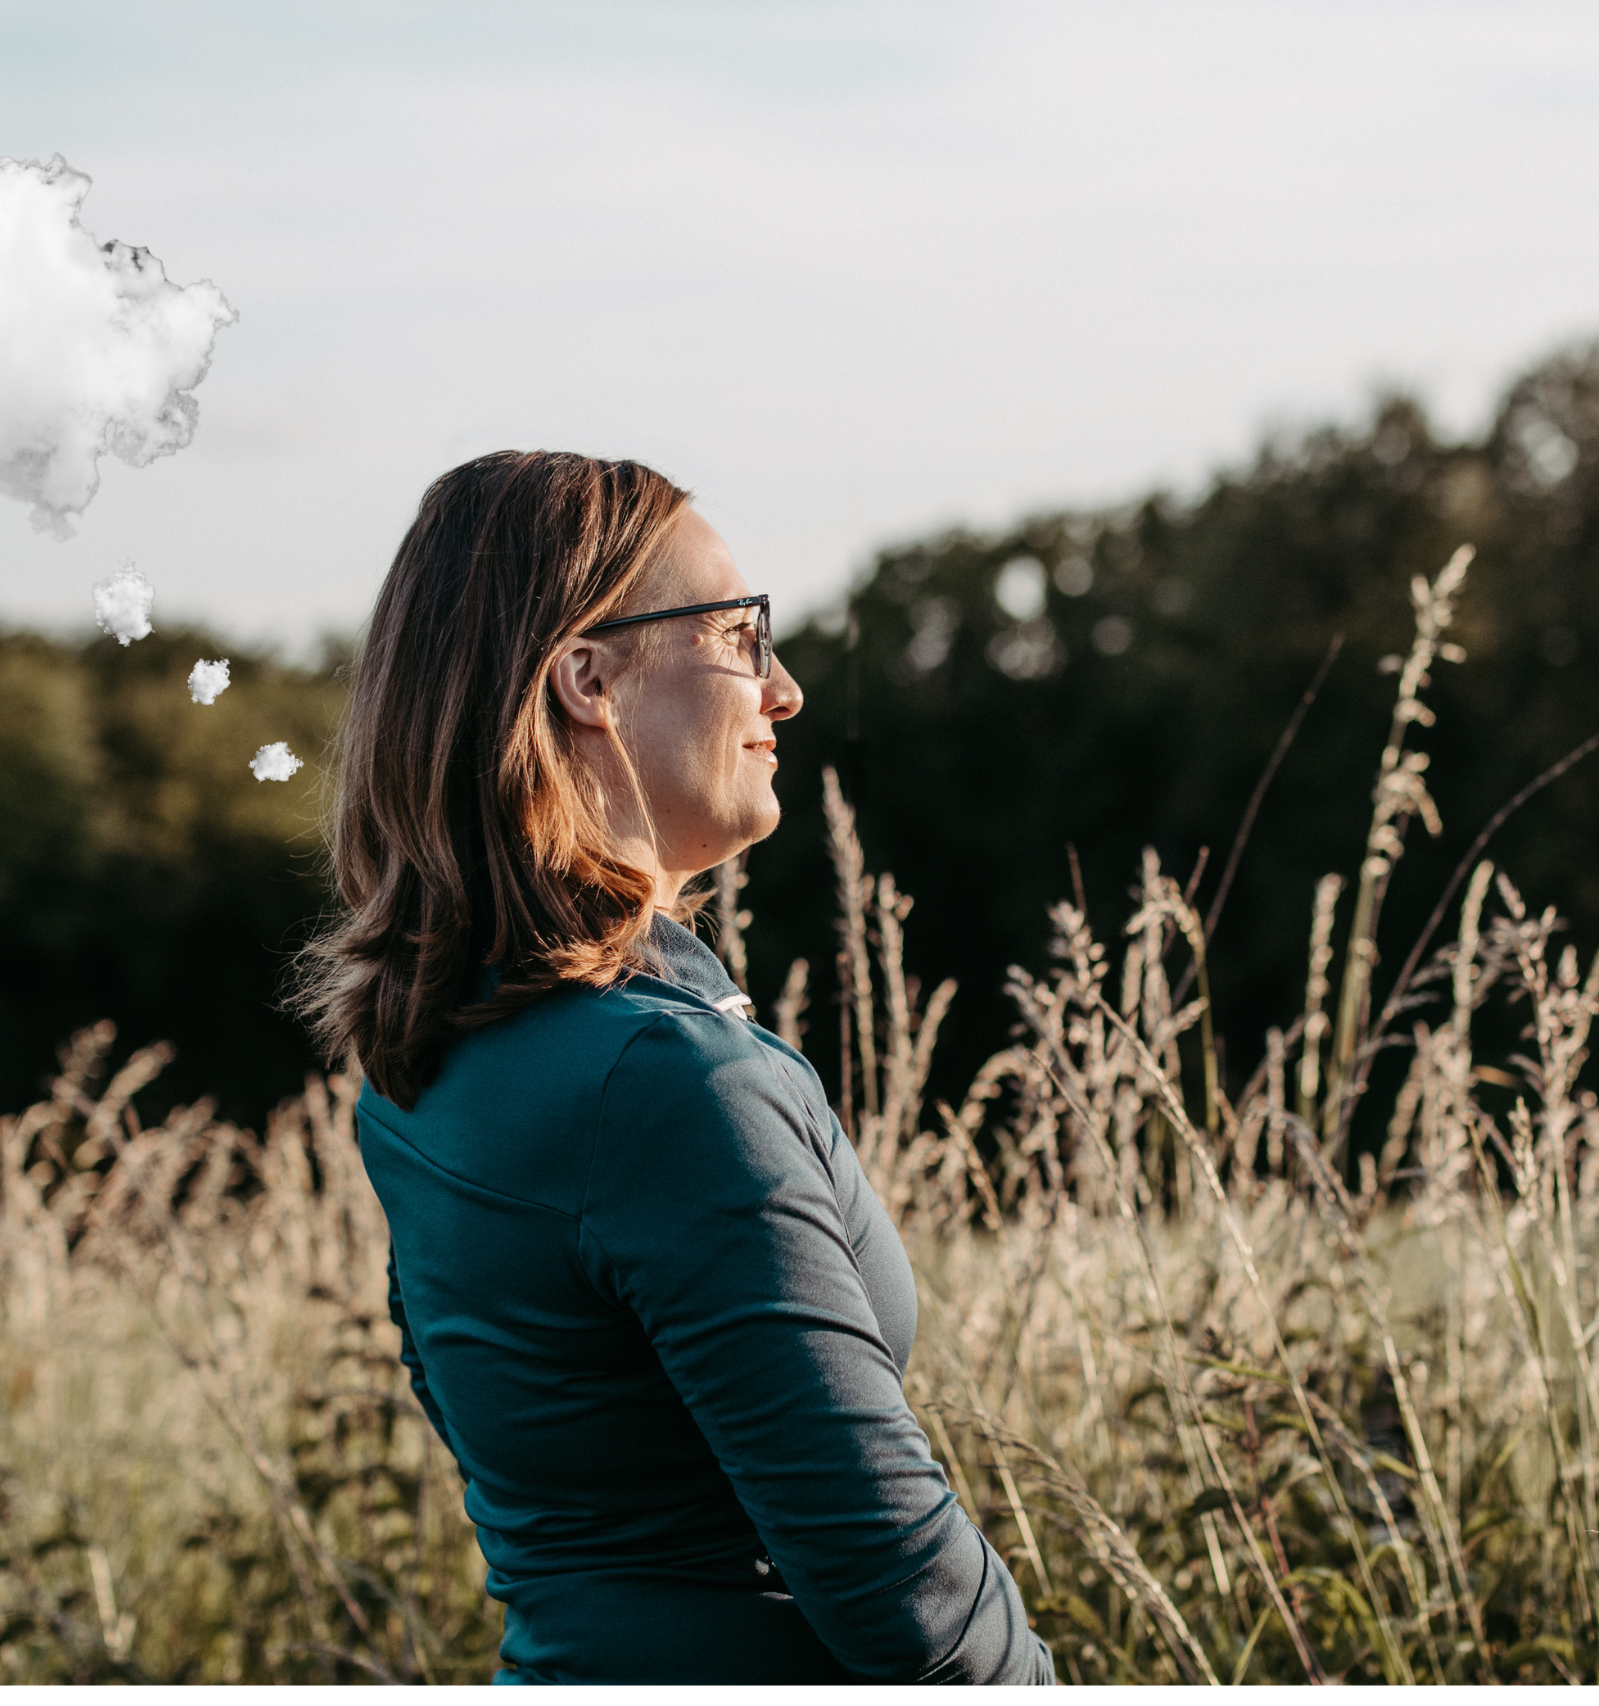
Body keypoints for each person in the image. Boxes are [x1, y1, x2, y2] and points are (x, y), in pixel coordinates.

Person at [295, 450, 1051, 1685]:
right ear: (586, 677)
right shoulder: (664, 1082)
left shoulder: (436, 1053)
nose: (785, 688)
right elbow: (900, 1589)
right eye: (739, 634)